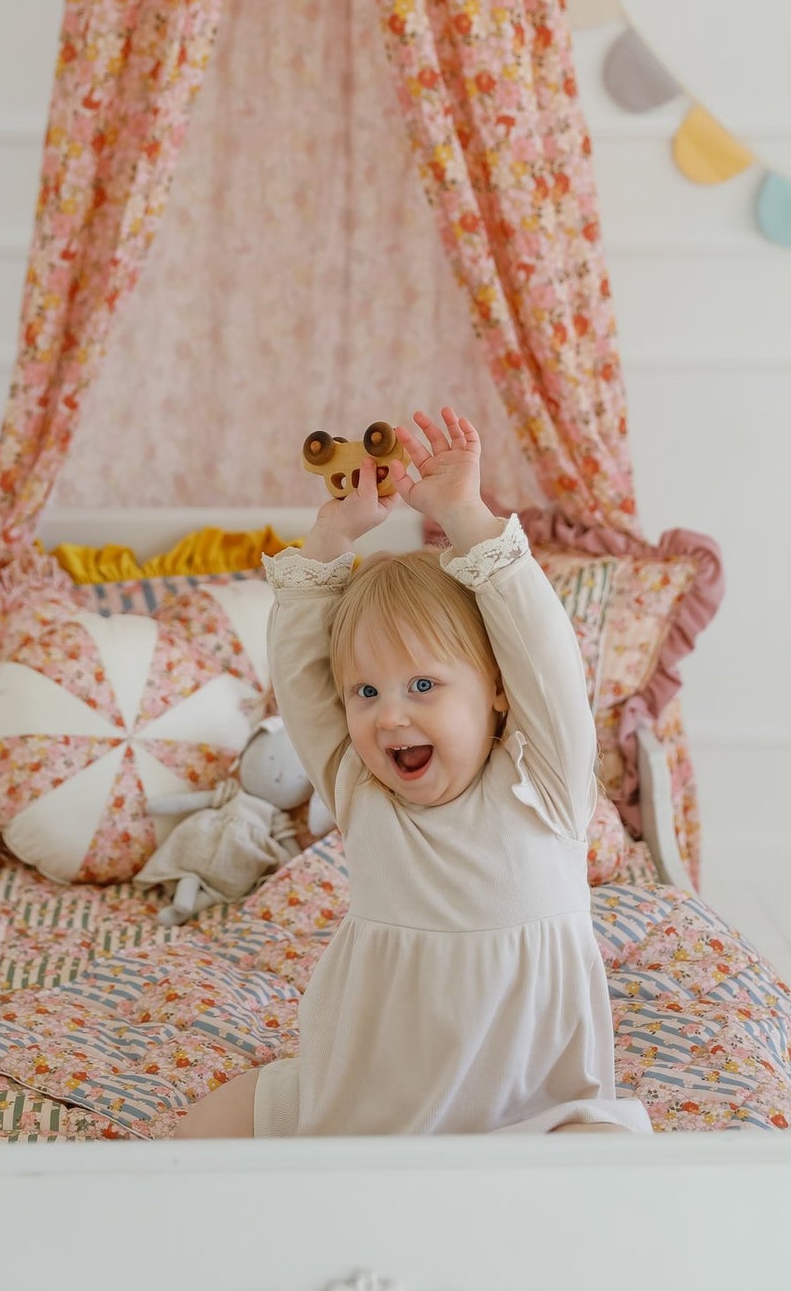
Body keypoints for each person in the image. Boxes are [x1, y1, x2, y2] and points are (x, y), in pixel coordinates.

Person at [174, 406, 652, 1139]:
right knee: (202, 1129)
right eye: (366, 693)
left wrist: (465, 514)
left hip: (528, 1111)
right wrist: (330, 539)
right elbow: (302, 682)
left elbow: (545, 654)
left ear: (497, 688)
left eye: (424, 686)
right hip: (371, 1108)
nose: (390, 716)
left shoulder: (546, 784)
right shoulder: (364, 793)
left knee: (606, 1151)